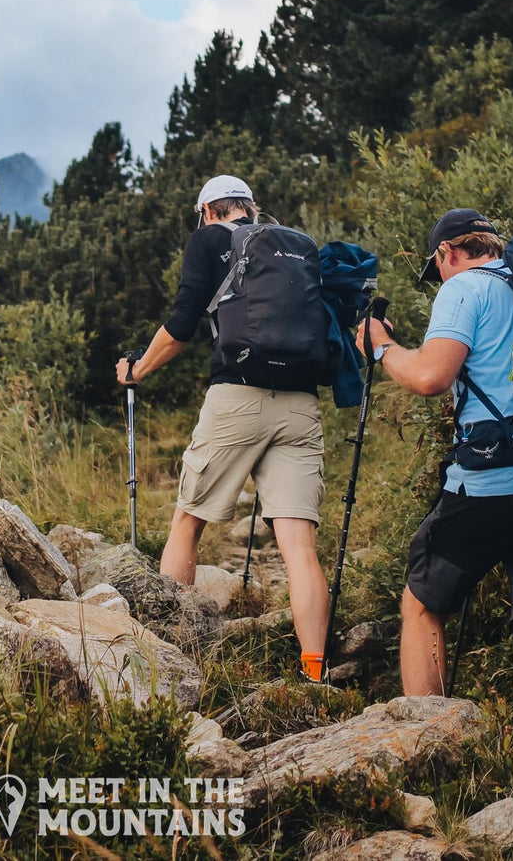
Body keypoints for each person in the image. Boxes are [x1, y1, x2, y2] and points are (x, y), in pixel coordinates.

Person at [358, 209, 513, 799]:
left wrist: (381, 347)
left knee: (420, 604)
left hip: (492, 484)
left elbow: (431, 377)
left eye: (435, 268)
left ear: (447, 255)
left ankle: (432, 763)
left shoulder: (465, 287)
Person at [116, 175, 331, 683]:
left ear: (207, 211)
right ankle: (316, 671)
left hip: (236, 394)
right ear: (252, 209)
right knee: (299, 547)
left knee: (188, 522)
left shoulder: (210, 239)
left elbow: (184, 320)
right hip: (301, 403)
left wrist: (139, 369)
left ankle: (170, 655)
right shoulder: (298, 245)